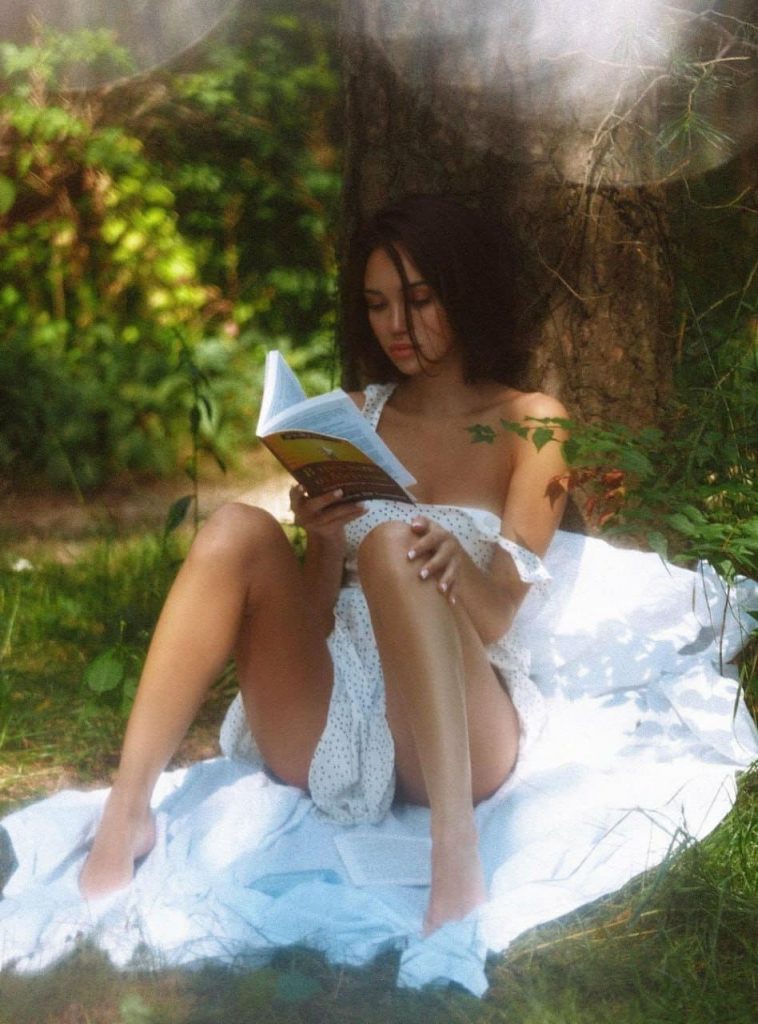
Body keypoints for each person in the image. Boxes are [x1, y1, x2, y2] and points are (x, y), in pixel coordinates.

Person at [79, 194, 569, 934]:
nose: (397, 326)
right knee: (234, 529)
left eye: (419, 300)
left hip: (459, 726)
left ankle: (455, 855)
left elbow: (501, 616)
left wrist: (452, 564)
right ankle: (125, 813)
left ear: (462, 290)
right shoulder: (351, 415)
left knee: (395, 544)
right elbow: (310, 619)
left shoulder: (532, 423)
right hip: (333, 714)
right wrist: (324, 542)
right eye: (376, 306)